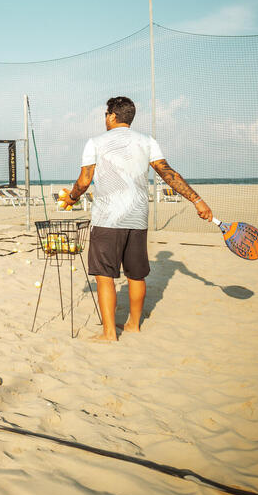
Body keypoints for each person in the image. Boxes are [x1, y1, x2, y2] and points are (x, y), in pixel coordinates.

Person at [63, 96, 212, 341]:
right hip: (137, 217)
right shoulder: (147, 141)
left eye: (105, 115)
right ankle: (134, 324)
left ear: (111, 116)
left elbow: (84, 181)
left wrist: (72, 197)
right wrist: (197, 200)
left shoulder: (95, 142)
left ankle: (109, 333)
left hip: (108, 220)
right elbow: (168, 173)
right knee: (136, 274)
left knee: (105, 276)